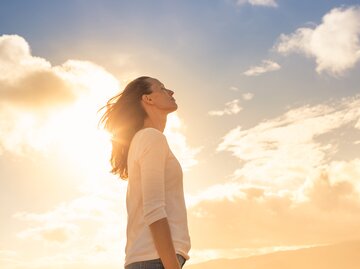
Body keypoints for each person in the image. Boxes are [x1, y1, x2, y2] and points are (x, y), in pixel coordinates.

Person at [99, 76, 191, 269]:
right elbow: (154, 209)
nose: (171, 92)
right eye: (162, 88)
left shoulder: (143, 140)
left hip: (151, 260)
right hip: (155, 261)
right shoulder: (151, 137)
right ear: (148, 99)